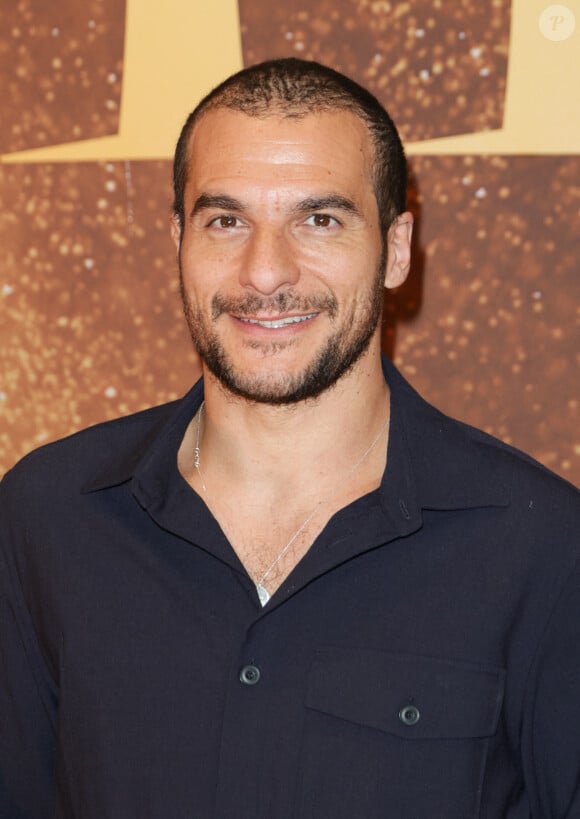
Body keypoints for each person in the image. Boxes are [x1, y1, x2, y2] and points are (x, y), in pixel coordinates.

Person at [1, 58, 579, 819]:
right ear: (179, 238)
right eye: (226, 220)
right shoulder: (46, 517)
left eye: (319, 219)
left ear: (396, 248)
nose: (265, 271)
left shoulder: (540, 546)